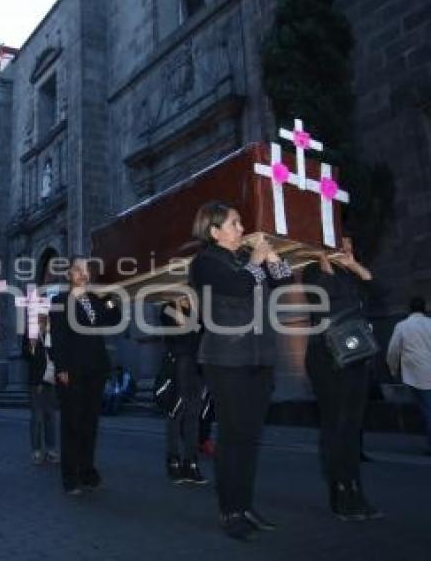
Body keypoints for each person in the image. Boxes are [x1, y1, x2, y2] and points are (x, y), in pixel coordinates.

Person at [189, 202, 293, 541]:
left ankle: (245, 506)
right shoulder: (205, 262)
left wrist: (273, 256)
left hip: (258, 357)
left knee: (249, 438)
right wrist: (256, 260)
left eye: (240, 222)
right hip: (227, 359)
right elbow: (237, 286)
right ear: (215, 231)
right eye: (234, 223)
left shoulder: (243, 260)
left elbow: (284, 282)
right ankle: (230, 510)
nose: (241, 227)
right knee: (232, 438)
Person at [303, 242, 383, 521]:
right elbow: (327, 296)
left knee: (352, 425)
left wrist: (354, 265)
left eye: (349, 243)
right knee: (336, 425)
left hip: (355, 353)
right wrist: (323, 258)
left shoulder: (348, 272)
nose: (347, 246)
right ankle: (340, 492)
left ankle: (355, 488)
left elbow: (376, 292)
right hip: (327, 356)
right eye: (341, 241)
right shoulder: (313, 269)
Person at [49, 256, 122, 495]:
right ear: (69, 274)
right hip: (72, 370)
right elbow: (58, 339)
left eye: (85, 270)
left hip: (96, 369)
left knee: (91, 423)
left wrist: (108, 299)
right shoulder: (60, 301)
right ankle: (70, 476)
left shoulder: (95, 300)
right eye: (77, 270)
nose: (83, 273)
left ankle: (87, 471)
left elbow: (115, 318)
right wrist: (61, 368)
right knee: (72, 423)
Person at [161, 297, 207, 485]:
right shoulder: (168, 308)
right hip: (179, 364)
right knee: (176, 413)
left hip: (197, 365)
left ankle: (191, 463)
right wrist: (178, 303)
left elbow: (201, 330)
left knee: (193, 416)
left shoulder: (198, 311)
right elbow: (184, 326)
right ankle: (173, 461)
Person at [387, 296, 431, 455]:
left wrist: (392, 369)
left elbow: (393, 350)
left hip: (415, 374)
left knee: (426, 408)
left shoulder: (402, 326)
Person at [22, 312, 59, 465]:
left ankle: (51, 449)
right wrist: (32, 345)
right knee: (37, 417)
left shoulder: (52, 332)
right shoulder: (30, 333)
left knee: (51, 416)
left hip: (50, 380)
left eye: (44, 316)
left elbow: (56, 353)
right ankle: (37, 450)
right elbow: (25, 355)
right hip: (36, 381)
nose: (42, 318)